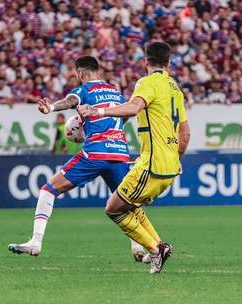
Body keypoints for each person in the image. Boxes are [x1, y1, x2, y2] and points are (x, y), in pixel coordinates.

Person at [8, 56, 147, 261]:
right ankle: (141, 249)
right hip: (119, 152)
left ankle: (35, 242)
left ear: (80, 73)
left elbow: (70, 102)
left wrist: (51, 108)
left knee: (49, 190)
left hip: (96, 152)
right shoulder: (114, 92)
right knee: (128, 203)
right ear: (98, 71)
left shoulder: (84, 90)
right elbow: (124, 116)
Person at [79, 42, 191, 274]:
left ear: (145, 62)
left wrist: (98, 111)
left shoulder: (147, 83)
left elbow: (133, 108)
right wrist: (177, 158)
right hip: (169, 165)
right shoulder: (175, 88)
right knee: (133, 207)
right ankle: (158, 248)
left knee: (114, 209)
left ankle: (155, 248)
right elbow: (186, 133)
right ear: (169, 63)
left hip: (152, 164)